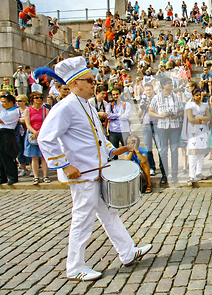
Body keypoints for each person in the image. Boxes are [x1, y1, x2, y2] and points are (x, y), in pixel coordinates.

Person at [36, 57, 151, 281]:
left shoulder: (86, 105)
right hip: (82, 175)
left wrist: (114, 151)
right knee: (82, 219)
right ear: (75, 83)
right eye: (88, 81)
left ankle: (128, 252)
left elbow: (97, 139)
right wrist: (64, 165)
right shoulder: (66, 107)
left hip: (97, 170)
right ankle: (75, 266)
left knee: (109, 213)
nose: (93, 84)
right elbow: (46, 139)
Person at [149, 76, 184, 185]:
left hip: (174, 126)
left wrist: (176, 115)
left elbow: (182, 111)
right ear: (163, 85)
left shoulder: (177, 97)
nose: (171, 85)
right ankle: (164, 174)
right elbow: (151, 112)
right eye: (169, 83)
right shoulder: (157, 97)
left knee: (174, 151)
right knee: (163, 151)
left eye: (171, 83)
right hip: (162, 127)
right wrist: (161, 115)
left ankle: (174, 175)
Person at [182, 88, 211, 186]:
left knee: (201, 153)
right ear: (193, 96)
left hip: (203, 131)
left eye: (200, 95)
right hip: (193, 131)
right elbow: (190, 119)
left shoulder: (205, 105)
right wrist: (202, 119)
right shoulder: (189, 105)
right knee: (193, 153)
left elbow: (209, 117)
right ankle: (191, 175)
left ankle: (199, 172)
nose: (199, 97)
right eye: (197, 95)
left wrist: (197, 119)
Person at [0, 93, 19, 185]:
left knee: (7, 156)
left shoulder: (14, 112)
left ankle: (12, 177)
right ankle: (2, 177)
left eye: (4, 102)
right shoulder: (4, 108)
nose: (2, 104)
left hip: (6, 134)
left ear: (11, 102)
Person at [138, 83, 166, 181]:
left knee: (160, 147)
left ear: (153, 90)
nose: (148, 92)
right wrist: (142, 108)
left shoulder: (158, 99)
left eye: (150, 89)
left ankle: (163, 168)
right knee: (148, 147)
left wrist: (150, 107)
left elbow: (161, 111)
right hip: (146, 125)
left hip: (156, 124)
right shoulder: (143, 101)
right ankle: (152, 167)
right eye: (146, 90)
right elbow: (139, 114)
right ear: (144, 91)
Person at [24, 91, 50, 184]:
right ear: (32, 99)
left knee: (43, 157)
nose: (39, 99)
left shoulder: (45, 110)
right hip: (32, 134)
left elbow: (47, 123)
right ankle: (36, 176)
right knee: (34, 157)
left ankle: (45, 175)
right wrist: (35, 132)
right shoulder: (28, 110)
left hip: (43, 133)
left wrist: (39, 132)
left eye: (40, 98)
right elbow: (27, 123)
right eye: (36, 98)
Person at [15, 94, 31, 177]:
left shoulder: (28, 110)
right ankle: (23, 168)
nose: (18, 102)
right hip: (18, 133)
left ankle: (32, 168)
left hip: (27, 132)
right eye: (17, 101)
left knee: (29, 150)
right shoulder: (16, 111)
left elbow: (29, 119)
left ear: (25, 102)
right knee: (20, 150)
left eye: (20, 101)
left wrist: (22, 120)